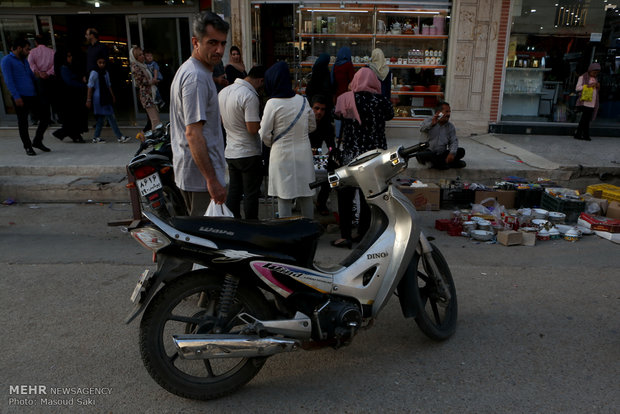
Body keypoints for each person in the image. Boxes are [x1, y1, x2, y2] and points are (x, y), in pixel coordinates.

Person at [169, 11, 229, 216]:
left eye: (223, 43)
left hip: (197, 175)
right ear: (196, 42)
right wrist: (212, 180)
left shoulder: (197, 72)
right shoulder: (195, 77)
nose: (219, 50)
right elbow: (193, 134)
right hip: (200, 180)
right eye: (212, 43)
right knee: (204, 242)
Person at [332, 67, 394, 248]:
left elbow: (337, 115)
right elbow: (390, 115)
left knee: (345, 195)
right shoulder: (382, 101)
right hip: (374, 158)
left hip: (352, 156)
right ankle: (364, 233)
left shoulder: (346, 99)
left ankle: (345, 236)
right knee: (369, 195)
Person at [259, 61, 316, 219]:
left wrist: (272, 143)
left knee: (283, 196)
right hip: (303, 154)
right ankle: (308, 230)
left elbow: (264, 132)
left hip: (281, 155)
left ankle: (286, 232)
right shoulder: (303, 101)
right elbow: (312, 126)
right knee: (306, 195)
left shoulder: (272, 103)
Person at [218, 65, 265, 219]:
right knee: (251, 193)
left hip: (231, 150)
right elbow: (252, 129)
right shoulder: (249, 95)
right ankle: (251, 227)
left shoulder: (224, 92)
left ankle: (233, 224)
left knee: (234, 192)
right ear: (260, 81)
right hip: (248, 152)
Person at [1, 37, 50, 156]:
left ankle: (37, 141)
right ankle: (27, 146)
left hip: (32, 94)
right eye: (27, 49)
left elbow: (30, 74)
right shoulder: (7, 60)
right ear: (19, 48)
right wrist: (16, 96)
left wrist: (37, 77)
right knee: (23, 123)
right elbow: (9, 80)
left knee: (45, 118)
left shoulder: (24, 60)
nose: (29, 52)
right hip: (20, 97)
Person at [86, 57, 130, 143]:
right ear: (96, 63)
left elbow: (108, 85)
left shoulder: (105, 72)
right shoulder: (94, 72)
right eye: (100, 62)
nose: (102, 64)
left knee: (101, 118)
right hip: (99, 97)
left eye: (103, 63)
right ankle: (119, 136)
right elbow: (90, 86)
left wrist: (112, 95)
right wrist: (88, 99)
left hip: (105, 96)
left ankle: (96, 137)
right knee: (110, 116)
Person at [416, 101, 466, 169]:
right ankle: (449, 164)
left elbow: (453, 141)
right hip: (427, 152)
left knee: (461, 151)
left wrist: (452, 153)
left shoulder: (450, 126)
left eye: (449, 112)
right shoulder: (428, 121)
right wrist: (432, 124)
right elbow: (422, 129)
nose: (449, 114)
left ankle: (438, 164)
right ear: (439, 113)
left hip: (441, 154)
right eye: (447, 112)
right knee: (423, 155)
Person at [52, 48, 87, 143]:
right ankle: (66, 133)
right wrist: (83, 86)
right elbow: (69, 82)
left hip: (70, 96)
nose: (71, 58)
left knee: (72, 119)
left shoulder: (67, 68)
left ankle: (70, 134)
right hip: (69, 97)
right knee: (72, 118)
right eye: (68, 56)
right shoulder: (64, 68)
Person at [309, 94, 335, 216]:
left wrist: (328, 152)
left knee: (332, 170)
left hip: (317, 156)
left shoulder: (326, 125)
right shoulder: (304, 121)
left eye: (322, 109)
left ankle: (321, 202)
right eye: (316, 108)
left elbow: (331, 145)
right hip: (301, 155)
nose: (319, 112)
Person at [129, 46, 161, 132]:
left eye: (142, 54)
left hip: (150, 94)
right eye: (139, 55)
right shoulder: (136, 67)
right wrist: (153, 81)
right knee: (155, 120)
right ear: (135, 57)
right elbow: (141, 82)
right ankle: (155, 139)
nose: (142, 56)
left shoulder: (143, 65)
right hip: (147, 96)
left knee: (156, 119)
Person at [28, 34, 57, 123]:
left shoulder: (32, 52)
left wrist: (39, 73)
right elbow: (55, 65)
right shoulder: (52, 52)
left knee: (41, 99)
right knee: (52, 98)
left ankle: (45, 118)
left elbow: (31, 64)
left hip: (38, 78)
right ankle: (54, 117)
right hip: (50, 77)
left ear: (36, 42)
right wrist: (47, 73)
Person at [331, 46, 355, 138]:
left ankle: (338, 136)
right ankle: (347, 136)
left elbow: (333, 81)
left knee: (338, 116)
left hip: (338, 94)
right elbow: (352, 80)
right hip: (347, 94)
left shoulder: (335, 65)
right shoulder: (348, 65)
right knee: (348, 117)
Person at [574, 62, 601, 141]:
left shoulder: (595, 79)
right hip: (585, 101)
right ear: (590, 70)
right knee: (584, 119)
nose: (595, 74)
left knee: (586, 119)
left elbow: (596, 91)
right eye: (594, 72)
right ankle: (584, 134)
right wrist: (588, 86)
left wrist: (597, 86)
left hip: (592, 102)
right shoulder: (582, 77)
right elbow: (577, 88)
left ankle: (580, 134)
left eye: (596, 73)